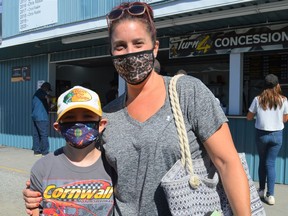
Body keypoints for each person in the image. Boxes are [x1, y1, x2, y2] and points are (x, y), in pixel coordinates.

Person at [24, 2, 250, 215]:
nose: (129, 53)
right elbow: (87, 168)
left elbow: (227, 163)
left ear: (155, 47)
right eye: (120, 47)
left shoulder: (187, 92)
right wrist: (42, 188)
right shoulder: (108, 115)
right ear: (112, 53)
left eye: (138, 44)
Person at [29, 85, 113, 215]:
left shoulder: (113, 166)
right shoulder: (42, 168)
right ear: (58, 127)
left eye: (87, 117)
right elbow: (35, 210)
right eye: (69, 118)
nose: (78, 122)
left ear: (101, 124)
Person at [247, 74, 288, 205]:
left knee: (263, 162)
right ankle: (270, 196)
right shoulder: (283, 100)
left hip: (262, 135)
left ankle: (261, 190)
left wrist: (259, 117)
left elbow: (249, 117)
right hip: (277, 135)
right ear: (277, 85)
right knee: (270, 163)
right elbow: (285, 119)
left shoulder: (257, 99)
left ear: (264, 85)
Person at [31, 82, 52, 156]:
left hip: (35, 116)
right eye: (48, 90)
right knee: (44, 134)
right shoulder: (42, 93)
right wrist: (50, 102)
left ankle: (36, 150)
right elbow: (48, 98)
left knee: (36, 134)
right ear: (45, 88)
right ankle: (45, 151)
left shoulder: (36, 93)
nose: (48, 91)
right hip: (42, 117)